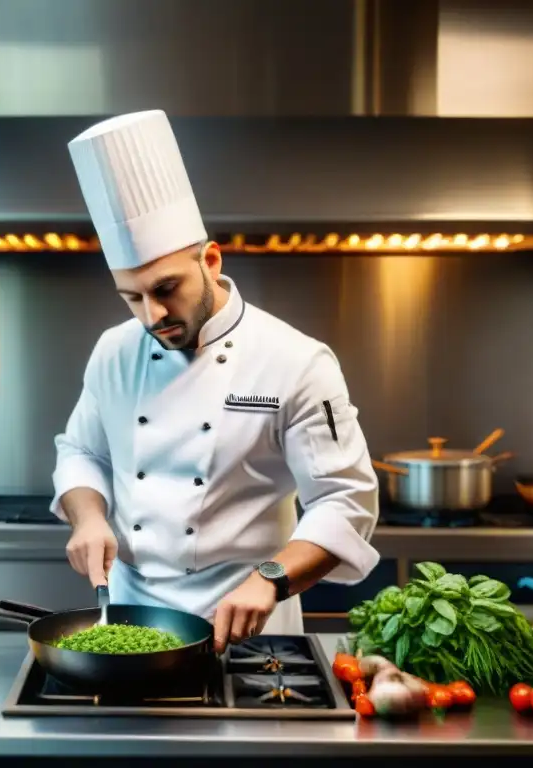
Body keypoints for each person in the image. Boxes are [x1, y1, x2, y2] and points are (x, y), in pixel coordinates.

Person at [51, 109, 380, 652]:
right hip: (130, 619)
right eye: (131, 298)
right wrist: (88, 518)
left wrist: (271, 579)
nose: (151, 316)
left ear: (210, 259)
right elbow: (82, 450)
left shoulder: (296, 361)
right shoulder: (114, 350)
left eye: (165, 288)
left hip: (250, 621)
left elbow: (345, 499)